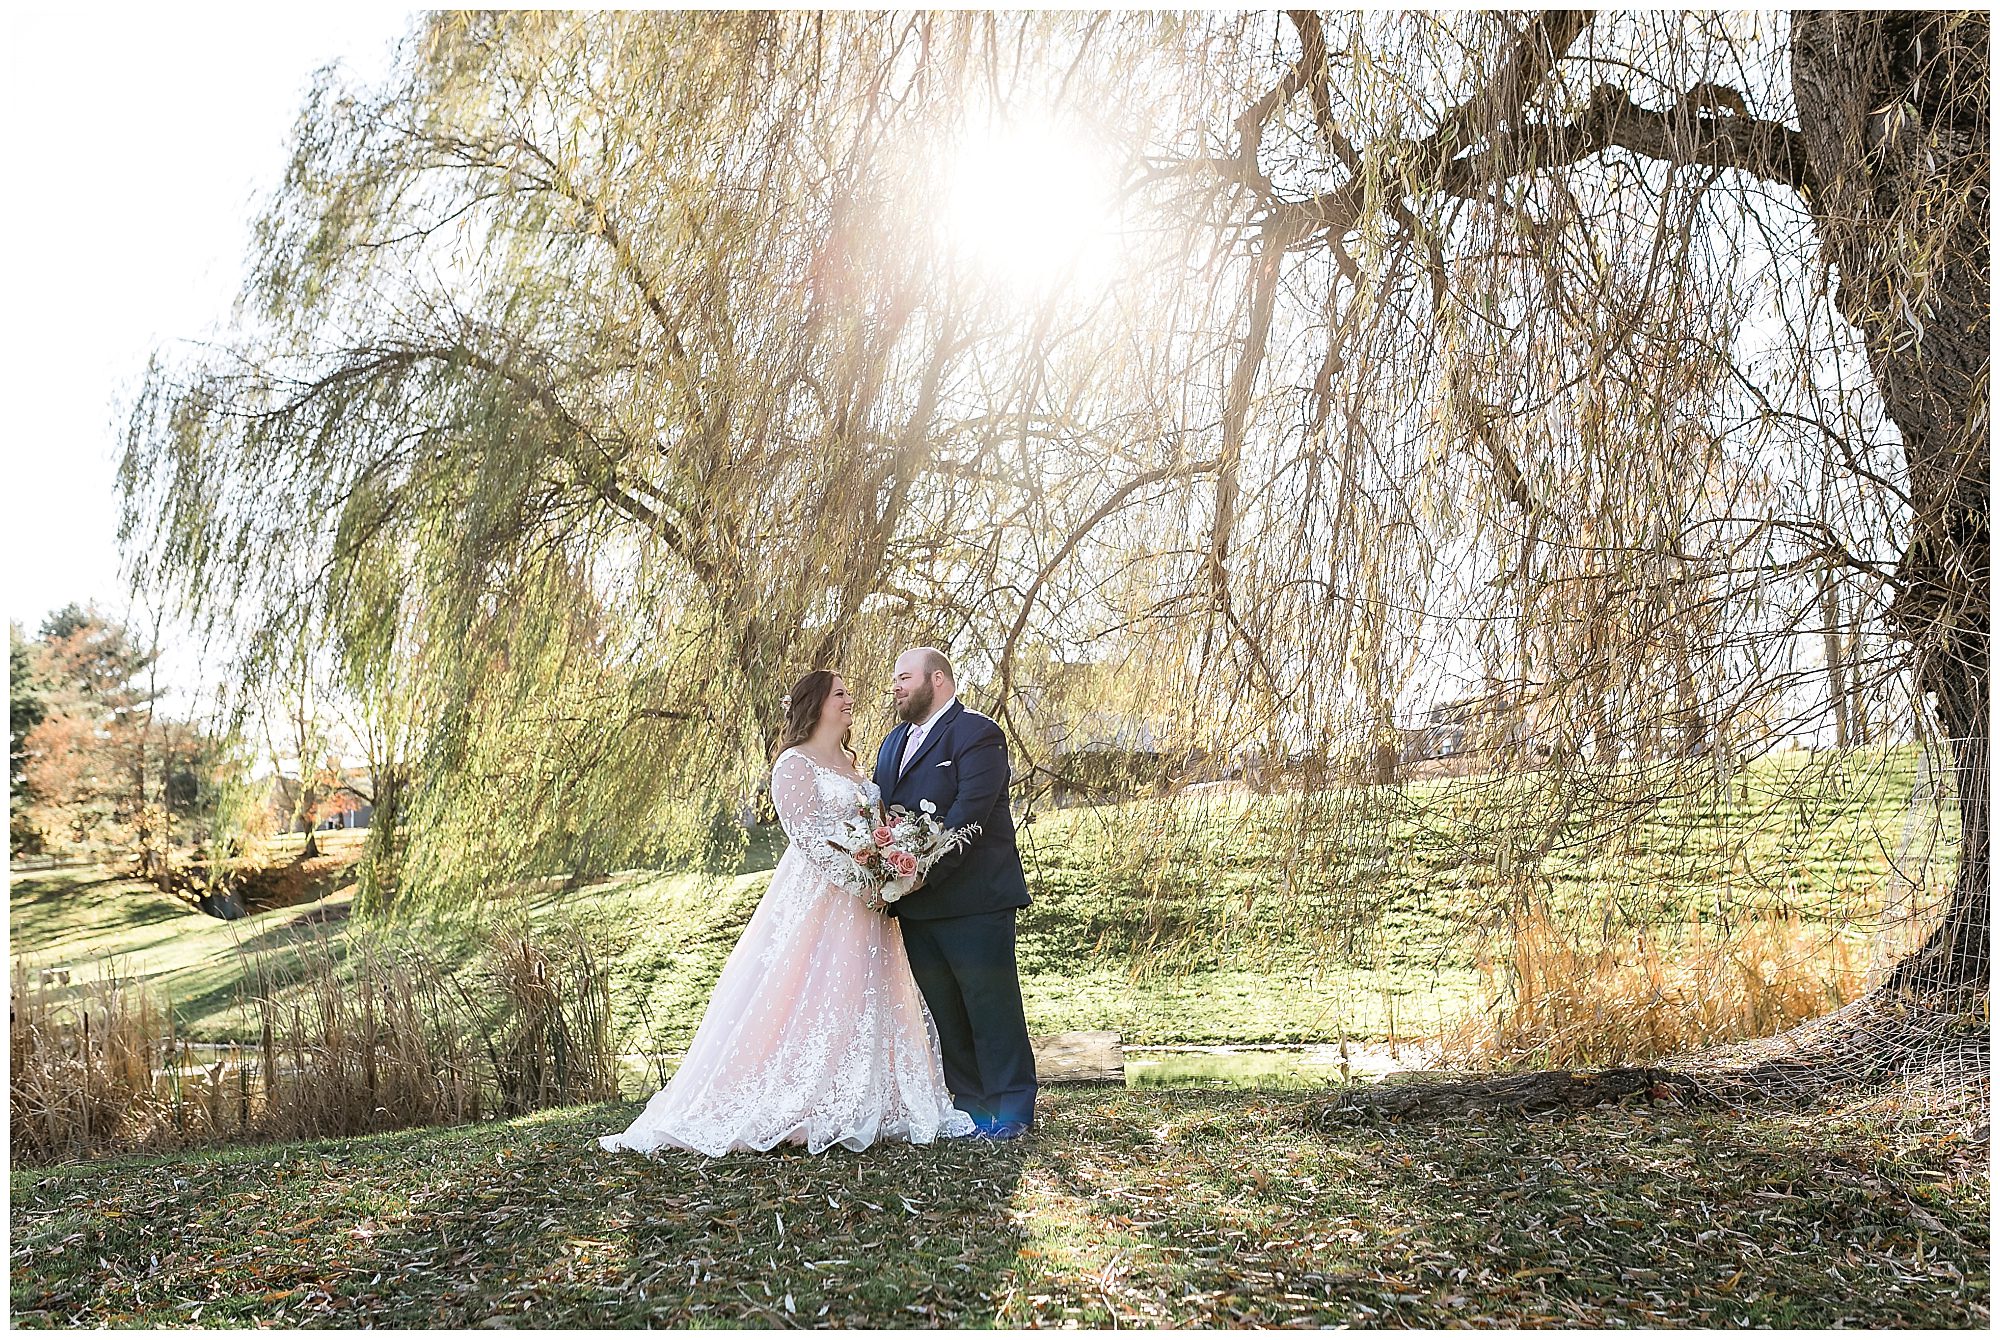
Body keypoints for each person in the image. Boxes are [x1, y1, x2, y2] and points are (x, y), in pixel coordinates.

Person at [600, 670, 975, 1156]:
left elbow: (876, 826)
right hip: (821, 899)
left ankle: (873, 1098)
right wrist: (866, 882)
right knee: (807, 992)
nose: (849, 700)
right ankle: (796, 1102)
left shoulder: (856, 767)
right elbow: (807, 838)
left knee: (864, 993)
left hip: (871, 905)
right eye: (840, 693)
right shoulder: (793, 764)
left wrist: (891, 869)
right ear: (816, 703)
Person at [875, 647, 1038, 1138]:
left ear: (939, 680)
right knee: (947, 1015)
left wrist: (924, 872)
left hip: (975, 902)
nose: (896, 687)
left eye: (905, 677)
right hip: (916, 909)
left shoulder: (978, 734)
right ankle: (970, 1111)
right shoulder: (890, 744)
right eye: (895, 679)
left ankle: (1012, 1114)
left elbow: (970, 814)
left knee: (991, 1009)